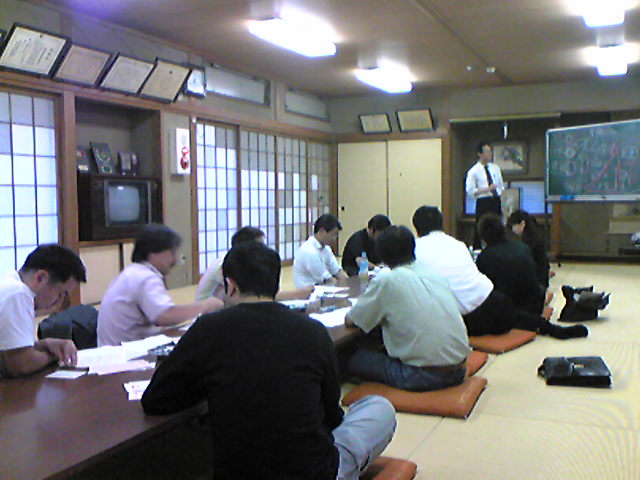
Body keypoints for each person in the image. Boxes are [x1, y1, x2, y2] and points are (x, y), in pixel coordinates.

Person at [142, 241, 396, 479]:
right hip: (313, 472)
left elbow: (155, 400)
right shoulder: (313, 331)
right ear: (275, 286)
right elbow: (332, 416)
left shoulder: (207, 328)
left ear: (230, 286)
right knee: (378, 407)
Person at [412, 206, 588, 340]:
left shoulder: (416, 249)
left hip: (467, 317)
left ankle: (547, 327)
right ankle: (548, 327)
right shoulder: (458, 245)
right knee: (512, 314)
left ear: (417, 228)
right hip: (498, 302)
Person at [345, 225, 471, 392]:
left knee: (347, 355)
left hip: (422, 375)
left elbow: (353, 320)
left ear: (381, 254)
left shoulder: (387, 280)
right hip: (460, 368)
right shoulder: (433, 274)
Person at [97, 224, 222, 346]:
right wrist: (204, 305)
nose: (176, 260)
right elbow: (165, 316)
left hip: (115, 348)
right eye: (172, 253)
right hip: (127, 352)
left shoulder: (132, 272)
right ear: (153, 253)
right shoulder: (145, 277)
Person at [0, 244, 86, 378]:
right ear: (40, 278)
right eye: (60, 293)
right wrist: (56, 356)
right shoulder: (18, 294)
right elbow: (20, 365)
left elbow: (9, 351)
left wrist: (44, 345)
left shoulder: (9, 285)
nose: (60, 300)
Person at [196, 226, 313, 301]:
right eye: (260, 245)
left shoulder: (244, 263)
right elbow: (259, 295)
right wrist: (298, 294)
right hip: (207, 316)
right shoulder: (225, 265)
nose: (263, 249)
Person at [477, 213, 544, 315]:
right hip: (534, 306)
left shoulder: (485, 257)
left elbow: (482, 290)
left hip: (510, 312)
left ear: (483, 237)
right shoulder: (522, 248)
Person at [465, 141, 505, 249]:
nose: (490, 154)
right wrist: (487, 189)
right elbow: (470, 191)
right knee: (481, 226)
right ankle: (478, 249)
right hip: (483, 202)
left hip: (495, 200)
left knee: (497, 226)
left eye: (490, 151)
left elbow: (501, 186)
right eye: (487, 151)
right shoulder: (473, 171)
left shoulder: (495, 168)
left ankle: (499, 247)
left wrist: (503, 199)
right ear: (480, 154)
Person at [293, 213, 349, 288]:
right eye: (333, 234)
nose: (335, 238)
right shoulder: (309, 251)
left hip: (322, 288)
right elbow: (328, 279)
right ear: (321, 231)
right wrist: (345, 288)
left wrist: (349, 283)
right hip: (309, 292)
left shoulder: (326, 248)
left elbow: (337, 270)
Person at [507, 209, 550, 290]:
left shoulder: (530, 241)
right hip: (540, 278)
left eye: (514, 226)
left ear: (522, 224)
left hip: (536, 280)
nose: (513, 229)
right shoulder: (534, 233)